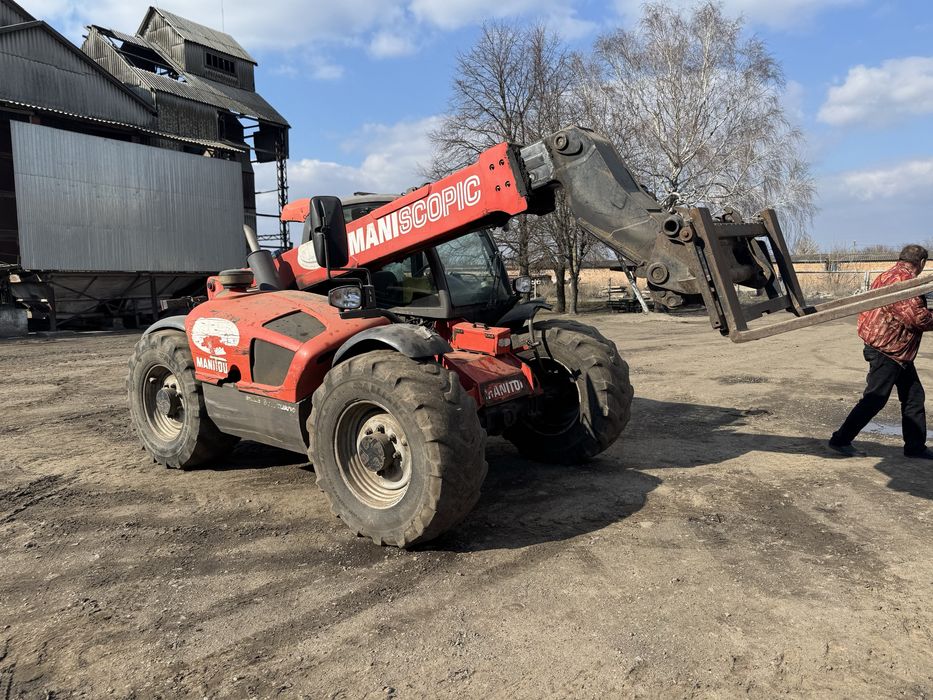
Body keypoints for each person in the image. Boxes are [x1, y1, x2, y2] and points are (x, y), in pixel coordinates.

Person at [829, 244, 933, 458]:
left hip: (896, 349)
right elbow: (917, 318)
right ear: (922, 263)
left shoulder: (889, 274)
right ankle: (841, 440)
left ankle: (915, 447)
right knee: (875, 398)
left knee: (914, 396)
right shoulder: (903, 281)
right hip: (888, 350)